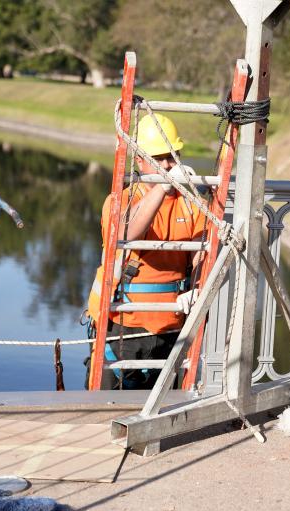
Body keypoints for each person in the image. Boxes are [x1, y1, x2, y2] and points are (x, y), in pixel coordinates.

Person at [86, 113, 205, 389]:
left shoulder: (191, 203)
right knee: (106, 410)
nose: (167, 165)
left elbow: (201, 251)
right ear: (139, 160)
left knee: (162, 414)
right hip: (123, 325)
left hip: (172, 327)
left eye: (172, 157)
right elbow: (128, 232)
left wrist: (197, 286)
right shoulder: (122, 199)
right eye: (159, 158)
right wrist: (163, 187)